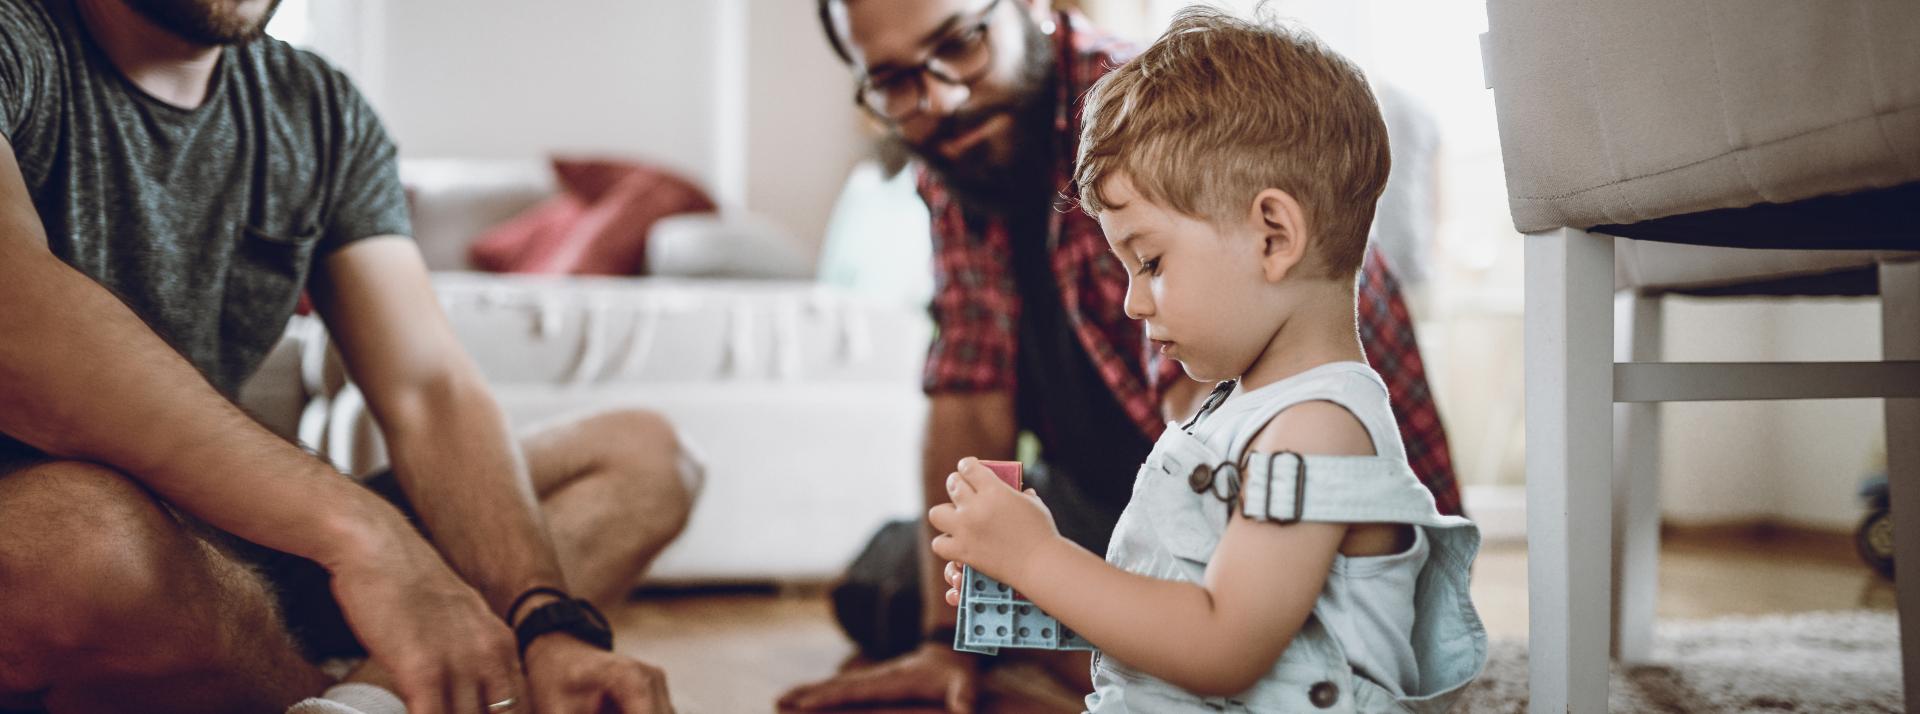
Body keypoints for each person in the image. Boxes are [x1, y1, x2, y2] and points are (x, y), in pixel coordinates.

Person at [0, 0, 696, 711]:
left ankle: (357, 701)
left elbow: (429, 391)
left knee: (643, 459)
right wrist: (362, 536)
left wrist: (545, 618)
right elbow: (17, 326)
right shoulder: (17, 42)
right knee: (80, 544)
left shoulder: (318, 107)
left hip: (237, 542)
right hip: (62, 541)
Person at [781, 0, 1460, 710]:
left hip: (1228, 515)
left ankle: (1049, 665)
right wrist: (971, 622)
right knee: (903, 574)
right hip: (1160, 495)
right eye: (894, 81)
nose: (940, 97)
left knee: (1038, 573)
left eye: (959, 43)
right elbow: (969, 385)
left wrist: (1043, 562)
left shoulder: (1169, 134)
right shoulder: (962, 159)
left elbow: (1220, 640)